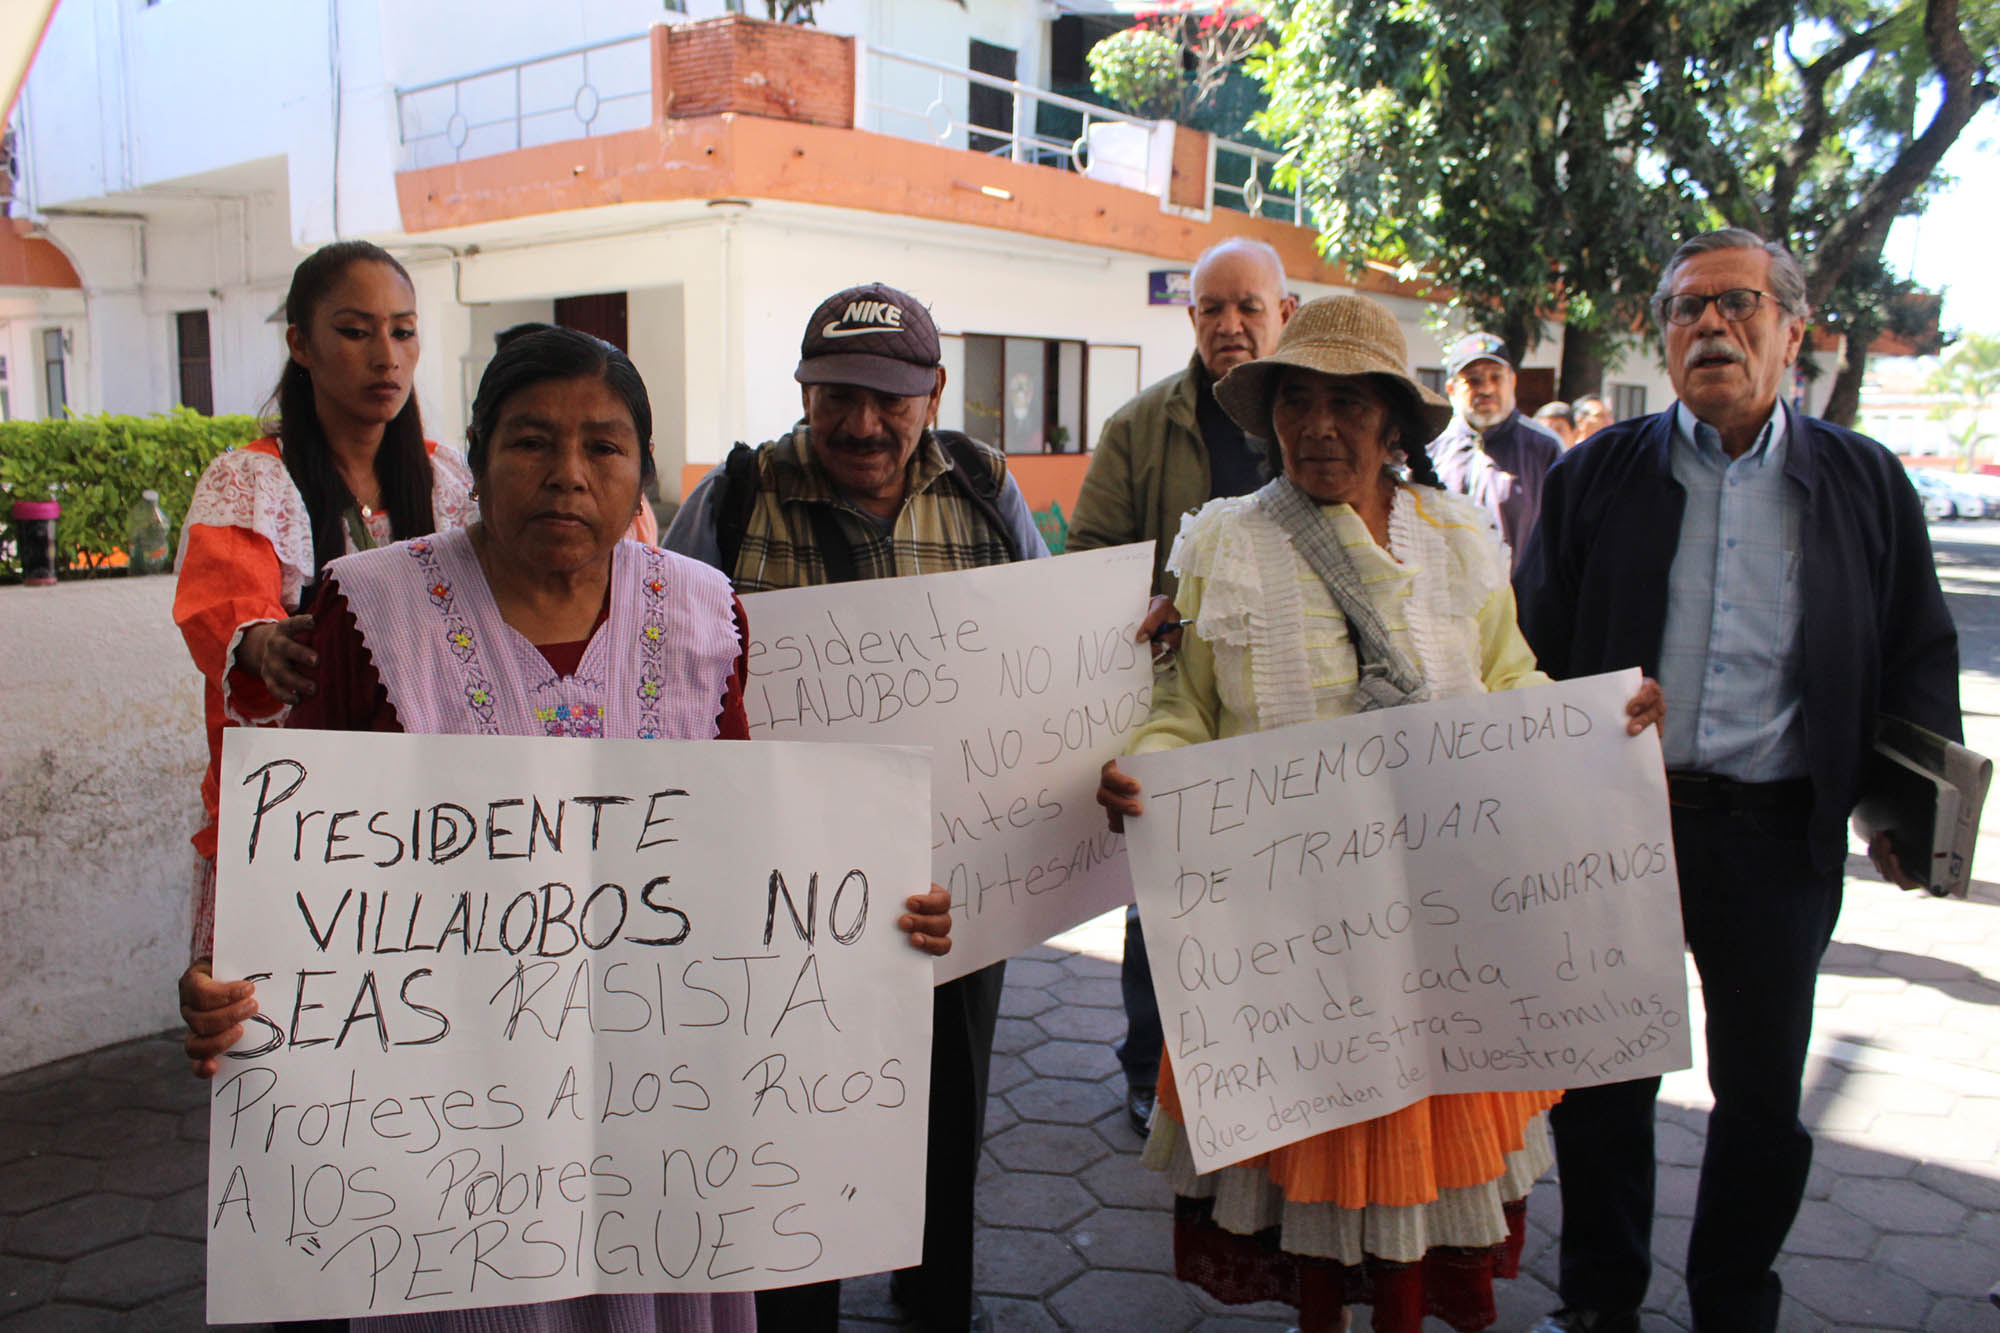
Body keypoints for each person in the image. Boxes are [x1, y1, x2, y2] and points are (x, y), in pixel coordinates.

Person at [180, 322, 957, 1333]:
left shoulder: (703, 615)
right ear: (478, 456)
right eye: (530, 441)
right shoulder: (366, 609)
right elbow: (301, 872)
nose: (566, 475)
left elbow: (746, 851)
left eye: (602, 446)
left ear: (639, 472)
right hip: (438, 1140)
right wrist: (222, 979)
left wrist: (875, 928)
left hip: (658, 1128)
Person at [1095, 294, 1664, 1333]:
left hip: (1439, 944)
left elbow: (1510, 678)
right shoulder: (1220, 544)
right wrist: (1149, 775)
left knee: (1408, 1224)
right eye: (1297, 402)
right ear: (1267, 417)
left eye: (1349, 405)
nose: (1320, 427)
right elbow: (1181, 708)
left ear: (1392, 423)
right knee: (1312, 1216)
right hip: (1289, 947)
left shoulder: (1453, 540)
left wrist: (1595, 727)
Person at [1513, 228, 1961, 1333]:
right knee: (1602, 1091)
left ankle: (1731, 1305)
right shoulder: (1593, 476)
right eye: (1683, 308)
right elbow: (1522, 644)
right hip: (1617, 831)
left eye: (1737, 304)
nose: (1709, 325)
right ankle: (1597, 1305)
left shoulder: (1860, 480)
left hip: (1776, 838)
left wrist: (1909, 813)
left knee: (1762, 1104)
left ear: (1791, 332)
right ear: (1660, 337)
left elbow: (1914, 648)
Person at [663, 281, 1047, 1333]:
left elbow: (1046, 652)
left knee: (939, 1130)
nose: (862, 424)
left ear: (931, 391)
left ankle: (934, 1308)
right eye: (836, 395)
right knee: (792, 1130)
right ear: (801, 389)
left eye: (888, 397)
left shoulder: (980, 484)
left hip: (950, 887)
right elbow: (662, 665)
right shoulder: (737, 494)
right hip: (784, 897)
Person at [173, 240, 476, 964]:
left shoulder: (445, 478)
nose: (386, 355)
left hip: (431, 819)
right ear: (301, 345)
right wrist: (263, 643)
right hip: (296, 821)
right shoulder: (251, 481)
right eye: (355, 330)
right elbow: (226, 606)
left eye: (403, 331)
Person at [1066, 236, 1299, 1139]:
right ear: (1192, 316)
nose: (1231, 325)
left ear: (1285, 312)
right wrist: (1142, 598)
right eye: (1212, 308)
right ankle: (1149, 1067)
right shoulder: (1142, 426)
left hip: (1290, 703)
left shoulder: (1312, 414)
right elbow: (1088, 556)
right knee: (1160, 897)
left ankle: (1271, 1059)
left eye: (1249, 307)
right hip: (1179, 701)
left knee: (1282, 894)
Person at [1428, 332, 1562, 573]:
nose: (1486, 389)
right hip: (1440, 601)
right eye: (1474, 380)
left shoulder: (1545, 447)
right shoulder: (1430, 445)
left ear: (1512, 381)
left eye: (1496, 377)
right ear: (1451, 389)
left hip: (1518, 603)